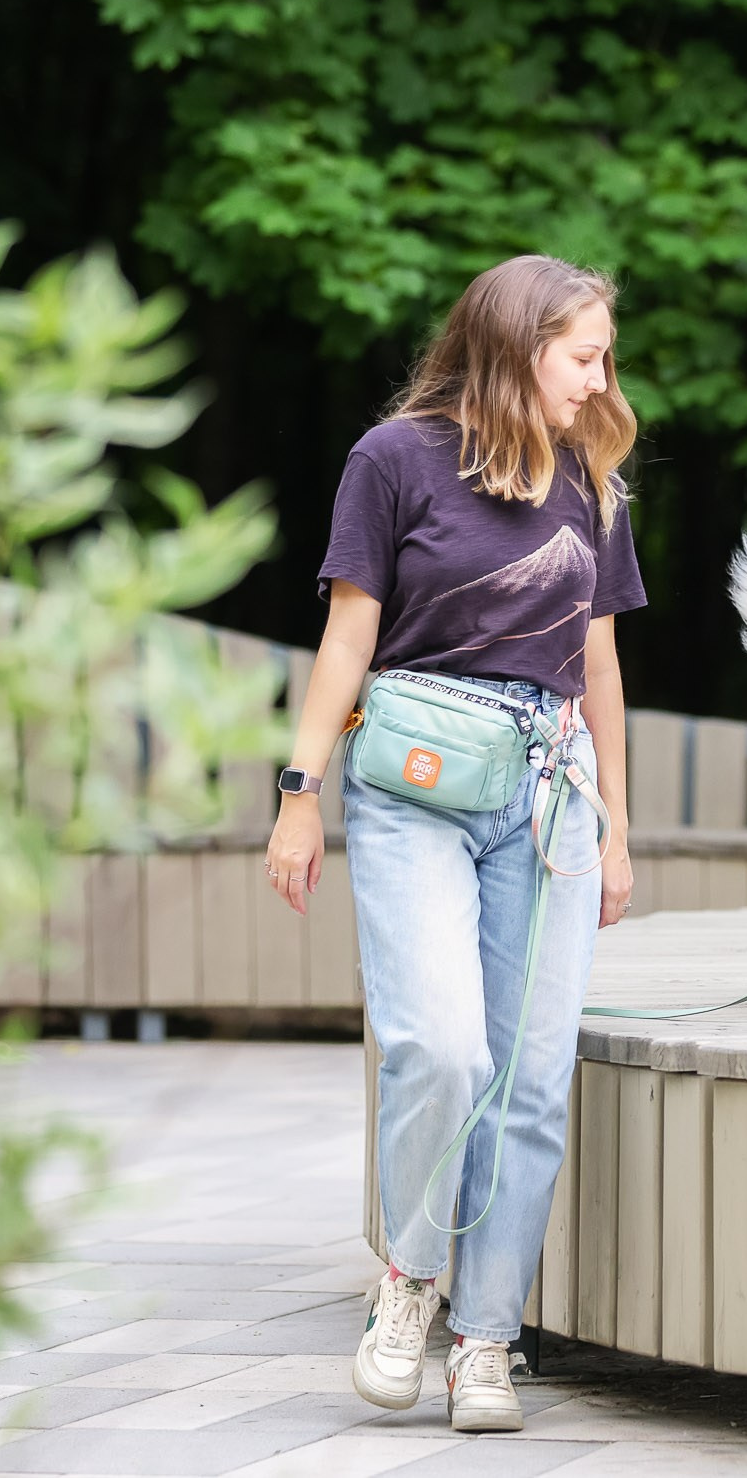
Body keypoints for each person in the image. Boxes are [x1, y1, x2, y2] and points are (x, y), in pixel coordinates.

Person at [265, 254, 644, 1433]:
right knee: (439, 1049)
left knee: (531, 1082)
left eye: (602, 359)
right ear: (517, 343)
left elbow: (598, 664)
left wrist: (617, 827)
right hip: (417, 791)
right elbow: (346, 639)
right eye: (583, 354)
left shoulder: (589, 475)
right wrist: (298, 789)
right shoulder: (393, 461)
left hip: (547, 806)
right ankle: (410, 1284)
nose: (598, 379)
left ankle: (487, 1340)